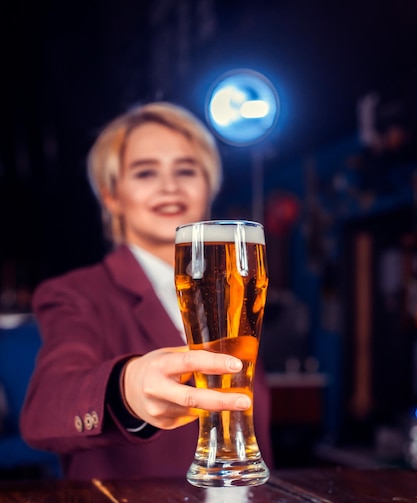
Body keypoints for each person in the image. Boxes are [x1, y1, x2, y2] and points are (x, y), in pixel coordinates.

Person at [20, 102, 273, 480]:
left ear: (210, 187)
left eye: (186, 170)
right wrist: (126, 388)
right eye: (145, 172)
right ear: (111, 196)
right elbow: (43, 410)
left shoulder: (238, 291)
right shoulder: (75, 292)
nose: (169, 187)